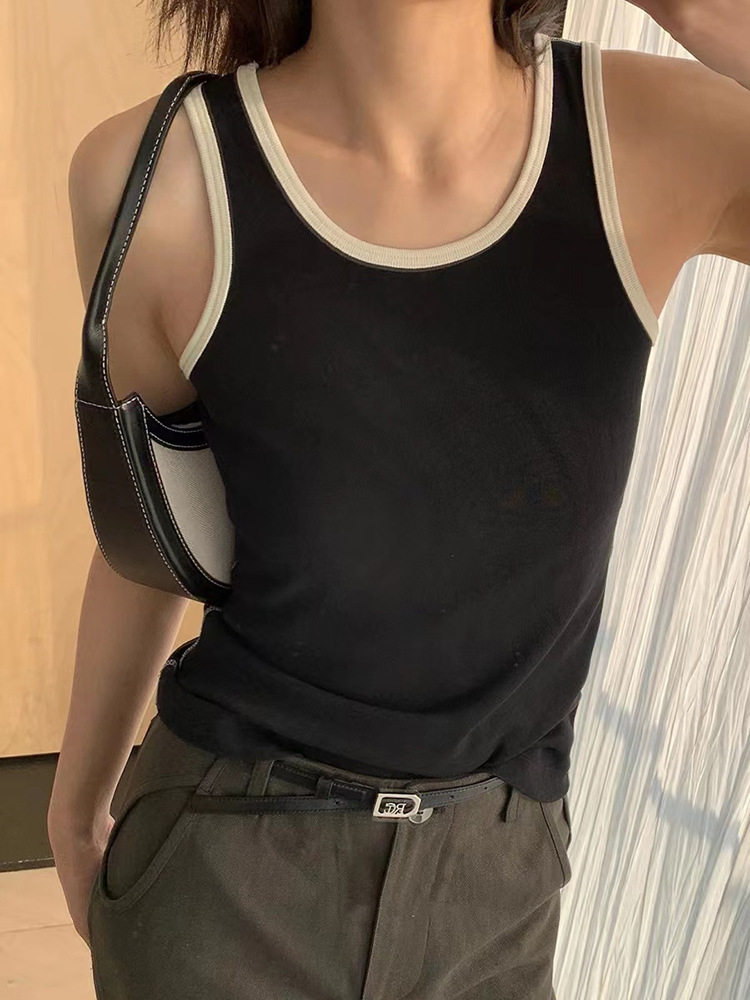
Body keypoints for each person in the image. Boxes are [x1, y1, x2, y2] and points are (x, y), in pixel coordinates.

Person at [48, 1, 750, 998]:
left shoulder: (647, 133)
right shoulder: (156, 175)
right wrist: (75, 805)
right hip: (221, 867)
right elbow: (153, 535)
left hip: (497, 894)